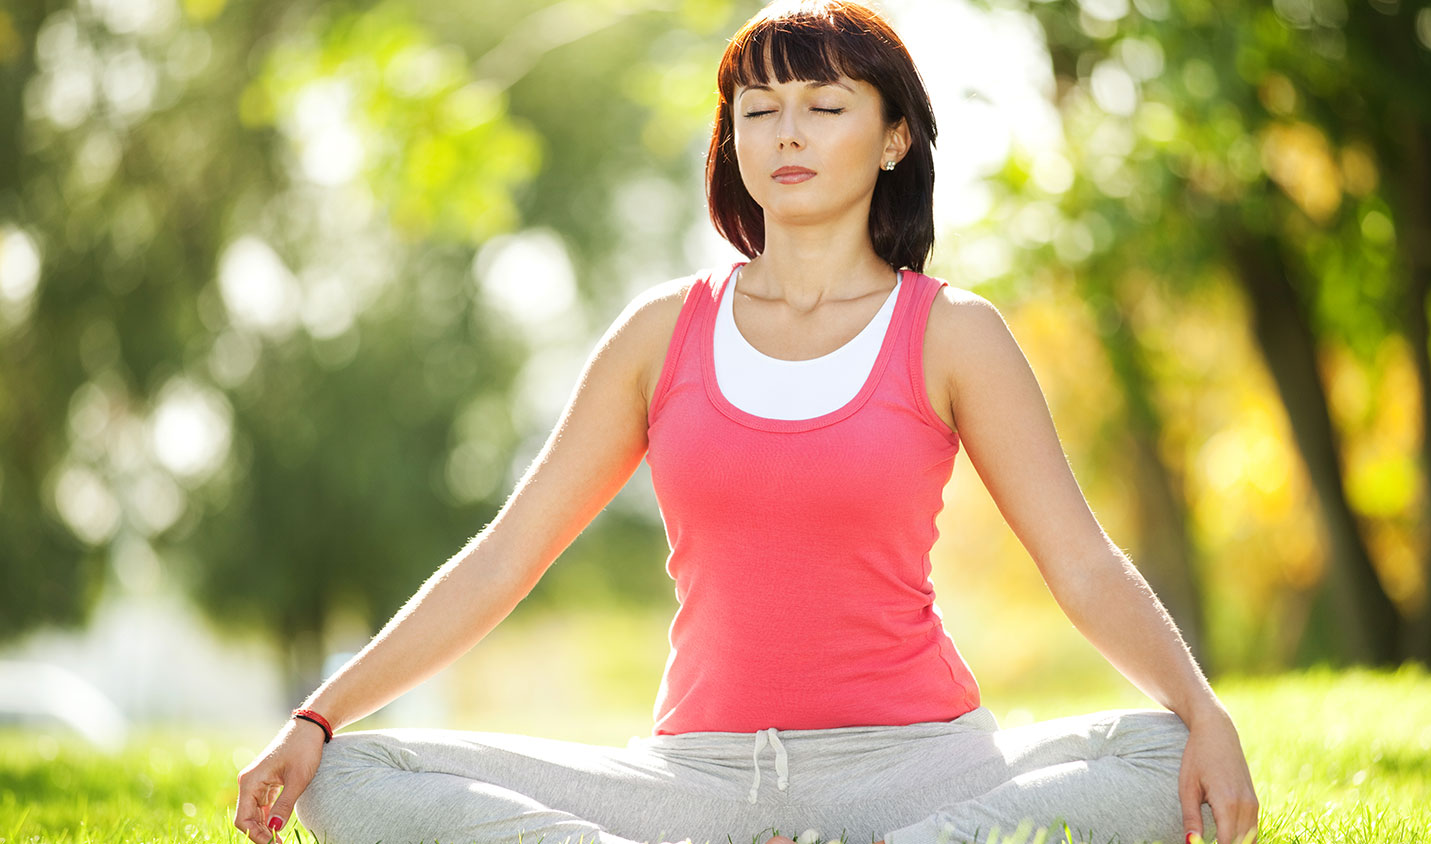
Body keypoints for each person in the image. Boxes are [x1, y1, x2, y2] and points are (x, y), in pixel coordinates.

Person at [232, 2, 1260, 843]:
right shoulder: (660, 333)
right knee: (354, 774)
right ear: (733, 140)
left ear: (895, 135)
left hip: (919, 771)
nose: (789, 134)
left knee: (1164, 753)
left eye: (824, 105)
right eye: (760, 110)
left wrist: (1204, 713)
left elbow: (1079, 562)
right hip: (699, 782)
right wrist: (319, 714)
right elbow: (507, 557)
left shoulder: (951, 333)